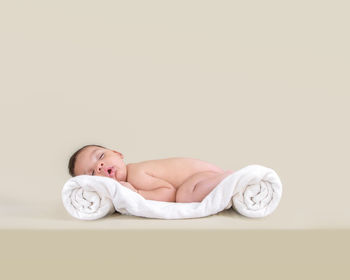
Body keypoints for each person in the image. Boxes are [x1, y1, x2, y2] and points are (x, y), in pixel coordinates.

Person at [68, 144, 234, 203]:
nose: (99, 166)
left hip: (203, 175)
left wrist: (137, 193)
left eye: (101, 156)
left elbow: (169, 193)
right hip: (200, 178)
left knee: (184, 196)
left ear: (118, 154)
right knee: (185, 195)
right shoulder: (130, 177)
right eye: (91, 173)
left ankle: (229, 177)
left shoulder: (136, 174)